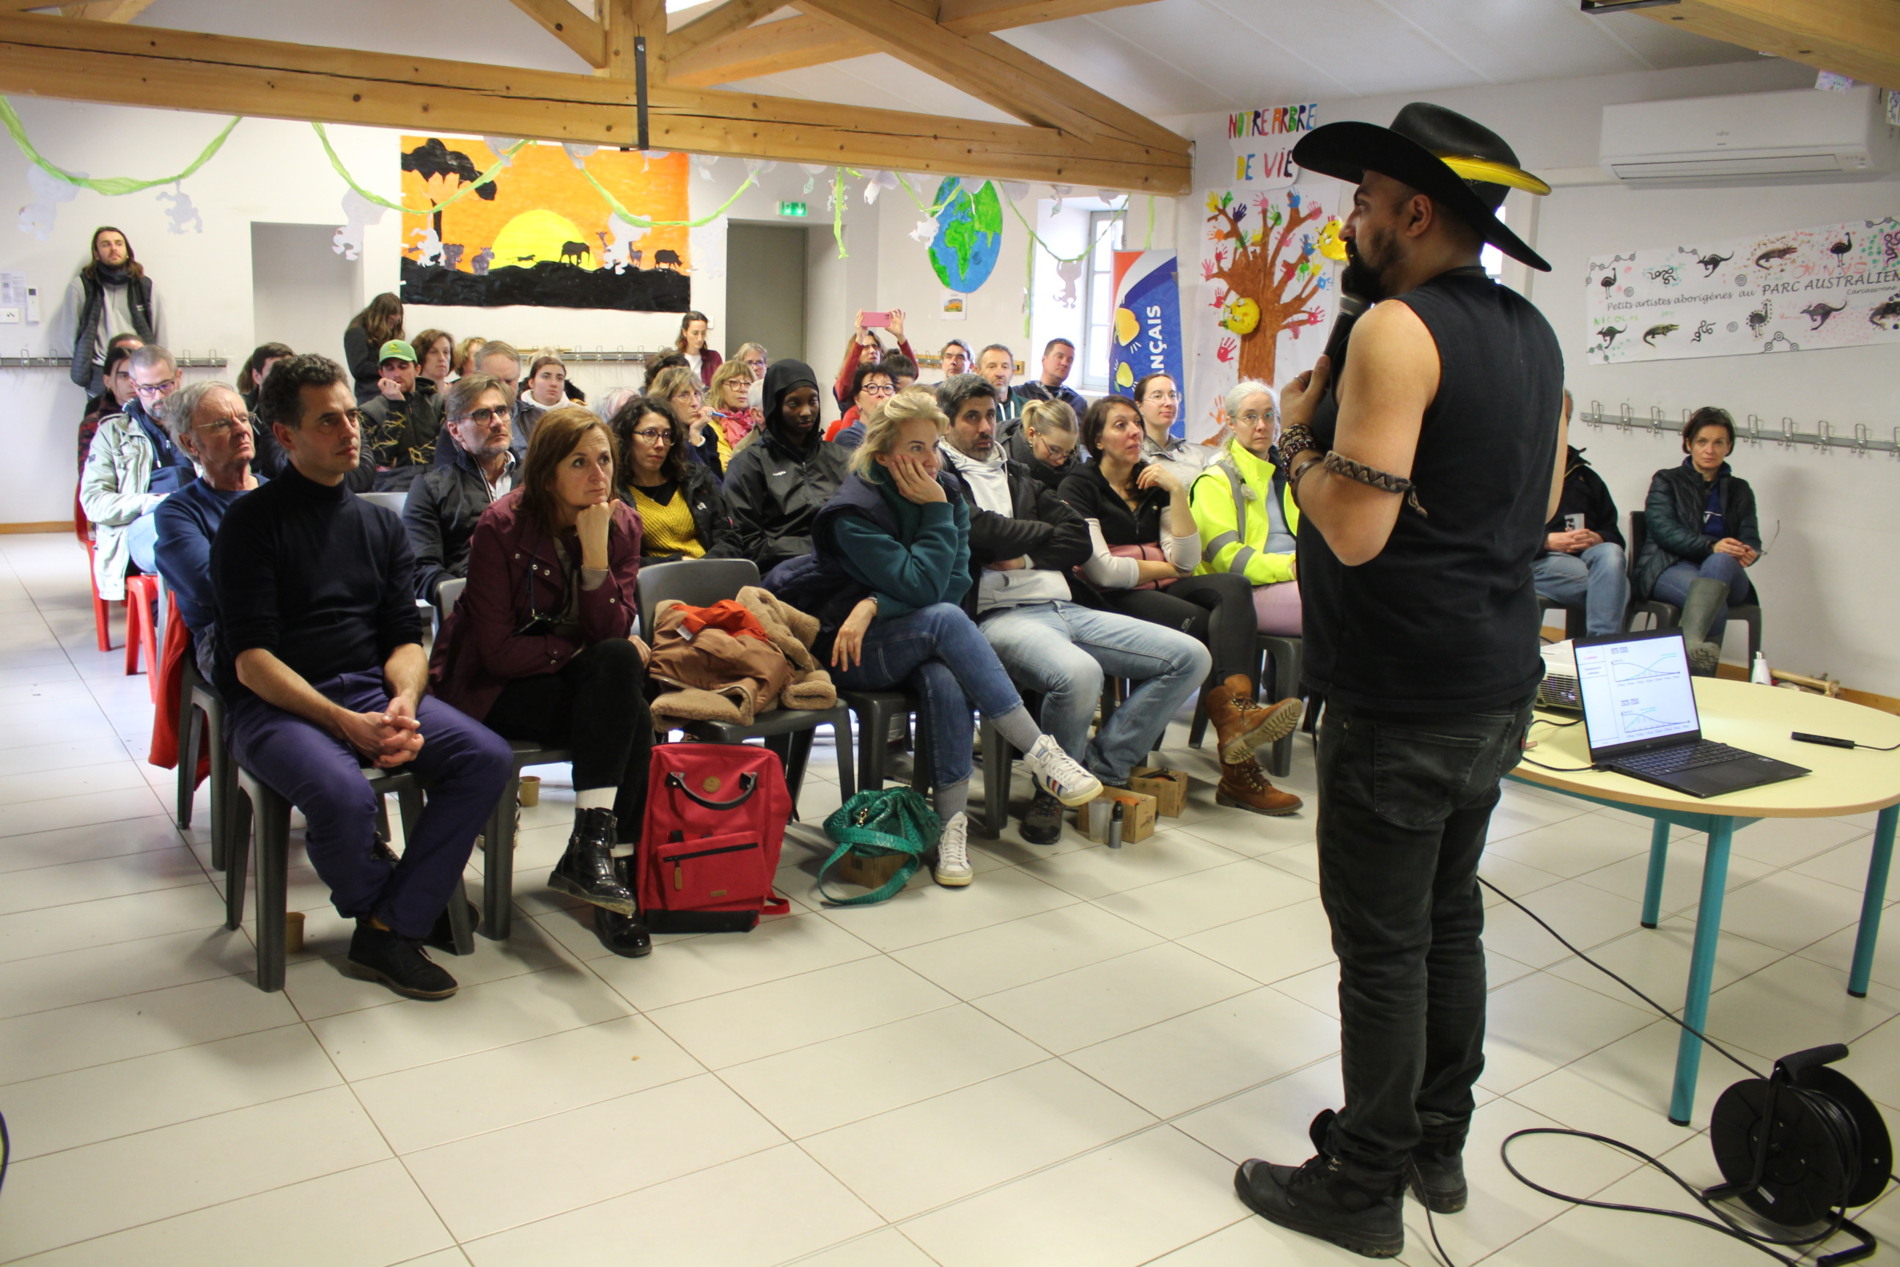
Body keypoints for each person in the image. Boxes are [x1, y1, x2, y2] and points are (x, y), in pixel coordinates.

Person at [1230, 103, 1565, 1258]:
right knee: (1448, 920)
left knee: (1381, 949)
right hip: (1493, 682)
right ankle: (1435, 1143)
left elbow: (1355, 527)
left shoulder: (1396, 330)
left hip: (1403, 692)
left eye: (1364, 201)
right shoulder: (1531, 333)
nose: (1349, 221)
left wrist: (1295, 446)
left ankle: (1361, 1182)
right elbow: (1536, 497)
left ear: (1415, 212)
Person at [212, 353, 512, 1000]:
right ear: (285, 435)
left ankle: (388, 923)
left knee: (485, 758)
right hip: (276, 706)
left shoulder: (378, 523)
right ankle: (398, 913)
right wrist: (345, 722)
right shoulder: (250, 523)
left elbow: (404, 637)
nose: (351, 430)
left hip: (371, 690)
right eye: (328, 421)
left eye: (351, 415)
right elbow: (251, 661)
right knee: (345, 796)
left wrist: (403, 700)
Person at [796, 387, 1104, 884]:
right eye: (915, 448)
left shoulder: (945, 491)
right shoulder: (854, 511)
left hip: (910, 633)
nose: (930, 460)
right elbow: (924, 589)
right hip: (850, 648)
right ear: (883, 455)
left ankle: (949, 825)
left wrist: (876, 603)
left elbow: (954, 584)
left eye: (934, 446)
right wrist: (935, 516)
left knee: (944, 673)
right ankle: (1040, 752)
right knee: (943, 619)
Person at [934, 374, 1209, 844]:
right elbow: (980, 534)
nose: (984, 427)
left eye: (990, 415)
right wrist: (1040, 535)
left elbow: (1078, 539)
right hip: (999, 616)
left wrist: (1023, 554)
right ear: (947, 424)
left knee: (1190, 657)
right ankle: (1053, 790)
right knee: (1081, 674)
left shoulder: (1019, 474)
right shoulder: (943, 479)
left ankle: (1099, 768)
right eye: (971, 417)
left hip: (1064, 606)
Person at [431, 404, 655, 957]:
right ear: (547, 472)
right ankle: (609, 871)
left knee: (622, 681)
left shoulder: (622, 524)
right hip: (493, 689)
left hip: (573, 681)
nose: (598, 475)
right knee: (627, 707)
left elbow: (611, 635)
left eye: (605, 460)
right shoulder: (501, 526)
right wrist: (580, 647)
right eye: (579, 462)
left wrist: (596, 554)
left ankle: (593, 849)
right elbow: (497, 653)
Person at [1059, 395, 1305, 815]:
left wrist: (1175, 490)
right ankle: (1238, 760)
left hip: (1156, 587)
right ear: (1097, 439)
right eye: (1120, 425)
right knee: (1207, 625)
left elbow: (1187, 561)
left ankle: (1238, 714)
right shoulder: (1080, 485)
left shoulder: (1153, 481)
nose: (1134, 432)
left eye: (1136, 424)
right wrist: (1165, 565)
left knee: (1233, 588)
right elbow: (1103, 571)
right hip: (1106, 599)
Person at [1633, 406, 1761, 672]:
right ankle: (1702, 683)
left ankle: (1689, 642)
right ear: (1689, 444)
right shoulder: (1666, 480)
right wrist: (1711, 545)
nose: (1710, 450)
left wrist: (1749, 550)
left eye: (1718, 443)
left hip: (1725, 574)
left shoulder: (1740, 489)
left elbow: (1750, 535)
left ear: (1728, 447)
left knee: (1721, 560)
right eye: (1702, 442)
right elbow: (1664, 531)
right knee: (1716, 605)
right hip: (1669, 565)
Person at [154, 380, 260, 670]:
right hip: (229, 639)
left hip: (298, 624)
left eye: (244, 418)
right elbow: (211, 586)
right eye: (222, 424)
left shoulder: (281, 494)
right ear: (190, 443)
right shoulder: (178, 512)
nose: (241, 429)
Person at [80, 344, 195, 602]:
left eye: (164, 385)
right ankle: (188, 620)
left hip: (197, 515)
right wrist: (152, 502)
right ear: (134, 385)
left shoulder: (199, 425)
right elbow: (93, 502)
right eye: (147, 388)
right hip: (142, 524)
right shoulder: (112, 433)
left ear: (178, 377)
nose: (158, 396)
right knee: (173, 536)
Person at [1189, 381, 1302, 636]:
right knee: (1331, 603)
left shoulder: (1291, 473)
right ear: (1231, 423)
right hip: (1244, 590)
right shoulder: (1214, 480)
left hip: (1299, 576)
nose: (1261, 425)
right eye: (1250, 417)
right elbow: (1227, 559)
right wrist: (1292, 567)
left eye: (1268, 415)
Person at [725, 359, 850, 574]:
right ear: (775, 406)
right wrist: (815, 547)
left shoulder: (840, 457)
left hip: (844, 562)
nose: (806, 411)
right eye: (794, 403)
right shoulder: (748, 465)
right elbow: (747, 542)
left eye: (812, 401)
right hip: (783, 570)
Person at [403, 373, 518, 607]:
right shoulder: (430, 488)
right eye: (482, 414)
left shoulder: (538, 479)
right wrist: (467, 598)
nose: (497, 422)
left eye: (501, 410)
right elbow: (421, 569)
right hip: (470, 604)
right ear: (455, 430)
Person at [1534, 390, 1628, 638]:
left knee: (1611, 553)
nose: (1559, 425)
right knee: (1615, 586)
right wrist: (1546, 541)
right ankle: (1600, 645)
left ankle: (1597, 644)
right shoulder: (1521, 470)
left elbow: (1614, 535)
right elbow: (1500, 534)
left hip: (1586, 558)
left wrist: (1599, 538)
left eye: (1565, 419)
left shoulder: (1586, 477)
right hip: (1537, 559)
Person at [613, 395, 739, 563]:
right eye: (650, 433)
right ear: (627, 437)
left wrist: (704, 566)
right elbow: (621, 562)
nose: (660, 444)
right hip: (656, 577)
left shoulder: (695, 478)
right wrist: (678, 564)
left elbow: (729, 537)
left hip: (712, 569)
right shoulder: (615, 493)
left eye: (667, 435)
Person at [63, 227, 158, 395]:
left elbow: (159, 331)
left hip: (140, 369)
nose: (113, 248)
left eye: (118, 243)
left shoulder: (145, 286)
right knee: (100, 413)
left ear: (127, 251)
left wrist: (155, 365)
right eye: (106, 244)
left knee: (139, 413)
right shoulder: (81, 286)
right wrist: (86, 362)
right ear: (96, 253)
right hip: (99, 371)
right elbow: (69, 334)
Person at [360, 339, 442, 488]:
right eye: (389, 368)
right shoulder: (368, 412)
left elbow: (448, 447)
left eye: (403, 367)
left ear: (417, 369)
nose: (396, 374)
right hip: (391, 488)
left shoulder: (440, 402)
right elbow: (378, 459)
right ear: (381, 373)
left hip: (439, 482)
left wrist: (402, 459)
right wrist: (396, 406)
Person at [649, 364, 729, 476]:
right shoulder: (661, 434)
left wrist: (696, 435)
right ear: (665, 400)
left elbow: (715, 479)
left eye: (697, 394)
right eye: (684, 395)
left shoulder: (706, 431)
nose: (694, 403)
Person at [77, 339, 141, 476]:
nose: (132, 383)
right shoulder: (95, 423)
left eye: (137, 376)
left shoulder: (158, 418)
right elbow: (90, 476)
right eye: (124, 376)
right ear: (108, 381)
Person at [832, 310, 914, 409]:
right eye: (865, 347)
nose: (872, 351)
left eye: (875, 346)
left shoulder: (888, 376)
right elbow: (843, 388)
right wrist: (859, 339)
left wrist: (900, 336)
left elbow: (911, 372)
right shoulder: (845, 382)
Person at [1135, 372, 1210, 474]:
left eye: (1172, 396)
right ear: (1139, 406)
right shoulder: (1132, 455)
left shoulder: (1196, 456)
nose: (1169, 403)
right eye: (1157, 396)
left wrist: (1174, 484)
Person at [1007, 398, 1080, 496]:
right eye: (1054, 450)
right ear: (1031, 434)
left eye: (1068, 452)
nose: (1061, 461)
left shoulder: (1074, 468)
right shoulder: (1005, 466)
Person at [343, 293, 403, 404]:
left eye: (396, 322)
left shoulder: (386, 332)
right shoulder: (356, 332)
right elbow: (359, 368)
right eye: (390, 321)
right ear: (380, 317)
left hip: (388, 389)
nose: (392, 326)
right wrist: (387, 368)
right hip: (370, 394)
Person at [823, 359, 897, 447]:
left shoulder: (899, 435)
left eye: (887, 388)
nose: (881, 394)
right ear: (858, 400)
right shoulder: (848, 437)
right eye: (872, 387)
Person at [1012, 337, 1087, 418]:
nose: (1065, 363)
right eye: (1059, 357)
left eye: (1070, 360)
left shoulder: (1078, 403)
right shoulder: (1018, 394)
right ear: (1044, 360)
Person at [706, 358, 760, 450]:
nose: (743, 389)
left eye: (748, 383)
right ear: (719, 387)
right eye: (734, 383)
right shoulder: (708, 424)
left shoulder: (760, 422)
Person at [518, 352, 570, 437]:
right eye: (546, 377)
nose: (553, 383)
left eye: (559, 378)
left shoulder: (578, 414)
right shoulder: (515, 414)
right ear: (531, 382)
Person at [236, 342, 294, 414]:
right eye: (275, 370)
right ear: (257, 376)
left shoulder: (301, 404)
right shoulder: (240, 407)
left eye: (288, 370)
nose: (283, 376)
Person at [976, 343, 1020, 426]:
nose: (999, 374)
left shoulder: (1027, 408)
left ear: (1012, 372)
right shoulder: (971, 408)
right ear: (978, 371)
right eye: (992, 367)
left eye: (1005, 367)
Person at [675, 310, 721, 386]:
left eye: (703, 333)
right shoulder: (675, 360)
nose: (700, 338)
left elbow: (720, 386)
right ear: (684, 332)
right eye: (695, 333)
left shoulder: (714, 357)